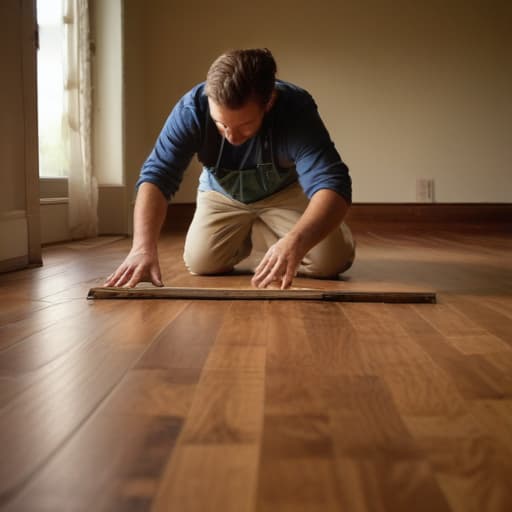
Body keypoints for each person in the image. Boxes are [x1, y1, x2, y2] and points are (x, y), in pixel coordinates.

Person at [104, 48, 355, 290]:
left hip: (284, 193)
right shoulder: (191, 110)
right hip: (222, 193)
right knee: (201, 262)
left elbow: (332, 183)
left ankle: (279, 234)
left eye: (245, 125)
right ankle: (259, 234)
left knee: (329, 262)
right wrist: (142, 248)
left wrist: (296, 241)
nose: (232, 137)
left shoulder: (295, 109)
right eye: (220, 124)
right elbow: (156, 176)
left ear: (269, 102)